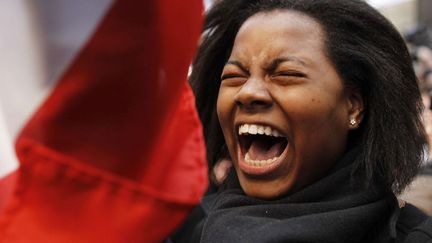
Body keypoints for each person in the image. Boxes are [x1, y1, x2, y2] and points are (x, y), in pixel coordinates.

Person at [178, 0, 432, 242]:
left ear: (353, 105)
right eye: (233, 76)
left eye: (286, 74)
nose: (247, 92)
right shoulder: (196, 231)